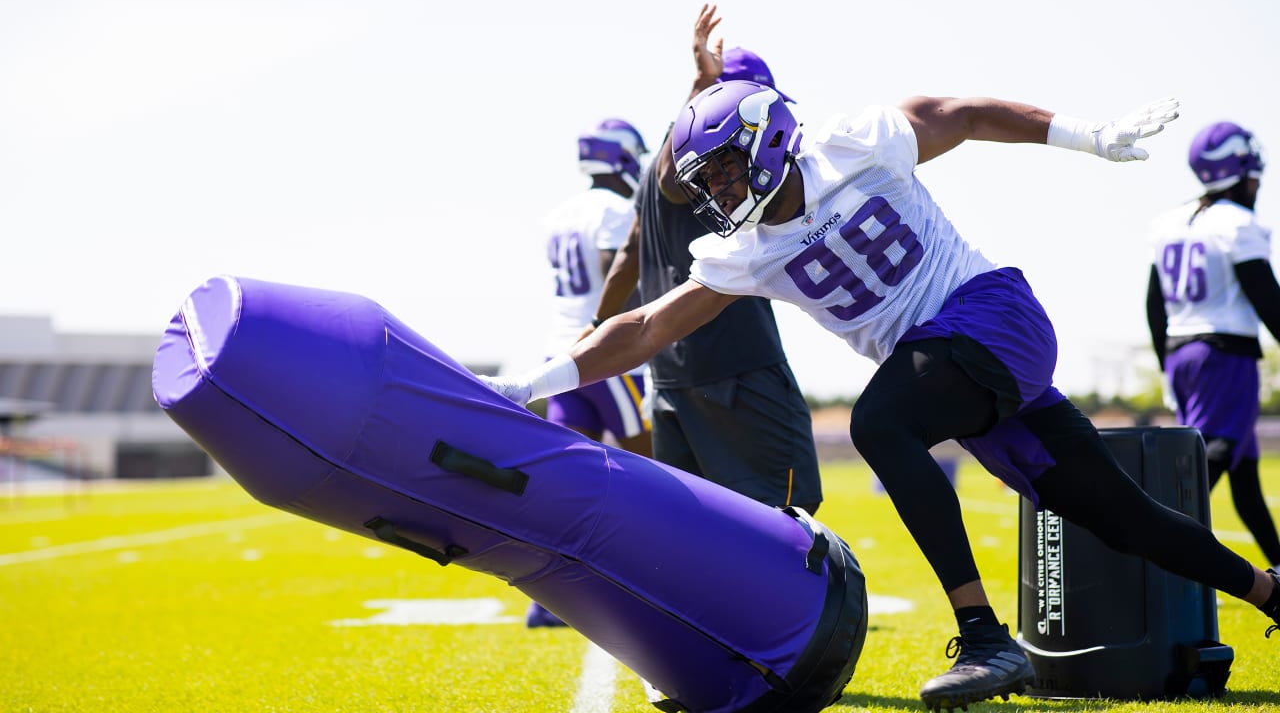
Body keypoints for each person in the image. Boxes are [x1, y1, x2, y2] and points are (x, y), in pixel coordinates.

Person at [481, 75, 1280, 708]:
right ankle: (1272, 591)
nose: (720, 192)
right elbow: (646, 328)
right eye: (709, 180)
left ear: (766, 140)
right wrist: (533, 382)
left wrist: (1086, 137)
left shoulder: (850, 146)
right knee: (1120, 516)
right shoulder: (747, 251)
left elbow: (958, 113)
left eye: (725, 167)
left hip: (991, 315)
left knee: (880, 423)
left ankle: (982, 635)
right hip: (952, 372)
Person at [589, 5, 821, 514]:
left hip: (673, 375)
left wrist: (600, 324)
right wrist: (702, 84)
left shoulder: (658, 167)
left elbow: (630, 252)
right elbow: (675, 185)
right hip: (734, 370)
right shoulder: (689, 164)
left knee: (693, 530)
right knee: (787, 516)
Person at [525, 117, 654, 628]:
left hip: (558, 358)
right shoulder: (617, 209)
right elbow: (615, 265)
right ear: (623, 158)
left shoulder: (559, 214)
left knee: (565, 482)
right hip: (605, 356)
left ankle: (548, 599)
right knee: (655, 472)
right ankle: (657, 580)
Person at [1147, 120, 1280, 571]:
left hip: (1183, 351)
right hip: (1225, 354)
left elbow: (1153, 304)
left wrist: (1167, 362)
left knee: (1244, 475)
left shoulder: (1169, 222)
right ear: (1241, 171)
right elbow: (1267, 299)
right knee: (1214, 456)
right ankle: (1158, 546)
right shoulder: (1239, 224)